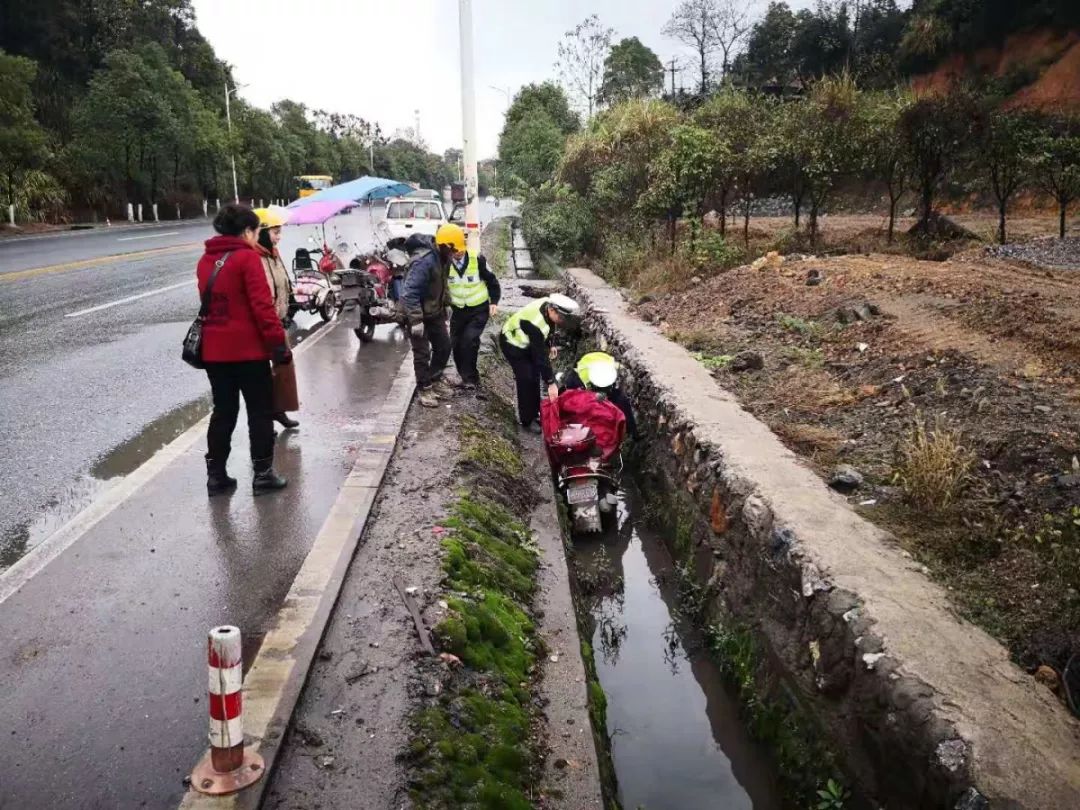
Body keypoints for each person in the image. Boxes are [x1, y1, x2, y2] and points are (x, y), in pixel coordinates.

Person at [197, 203, 290, 496]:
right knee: (259, 412)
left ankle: (216, 477)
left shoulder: (206, 260)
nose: (256, 236)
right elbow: (263, 309)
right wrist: (278, 346)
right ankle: (262, 474)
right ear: (247, 231)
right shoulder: (247, 259)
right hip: (249, 353)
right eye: (256, 231)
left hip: (214, 353)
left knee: (223, 412)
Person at [499, 294, 581, 434]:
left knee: (535, 376)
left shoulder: (547, 304)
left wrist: (551, 344)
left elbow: (551, 326)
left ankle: (536, 413)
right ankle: (527, 420)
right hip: (513, 343)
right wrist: (551, 382)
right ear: (552, 310)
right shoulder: (535, 323)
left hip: (529, 342)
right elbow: (541, 357)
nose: (562, 321)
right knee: (526, 378)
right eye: (561, 318)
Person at [254, 206, 299, 430]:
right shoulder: (254, 257)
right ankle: (265, 421)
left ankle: (279, 410)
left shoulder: (274, 255)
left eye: (279, 232)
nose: (278, 237)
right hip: (262, 326)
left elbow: (282, 282)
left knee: (284, 368)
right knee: (263, 376)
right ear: (261, 231)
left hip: (278, 321)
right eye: (274, 232)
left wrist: (291, 304)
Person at [441, 223, 500, 392]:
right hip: (458, 311)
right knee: (456, 343)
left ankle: (472, 379)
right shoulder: (445, 264)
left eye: (460, 249)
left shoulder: (477, 259)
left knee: (469, 341)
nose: (458, 254)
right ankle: (463, 376)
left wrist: (494, 301)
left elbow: (492, 281)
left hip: (478, 310)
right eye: (454, 251)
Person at [398, 231, 452, 408]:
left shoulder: (443, 258)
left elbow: (442, 284)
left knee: (444, 346)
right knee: (422, 353)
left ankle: (435, 379)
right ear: (443, 245)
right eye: (452, 249)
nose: (454, 253)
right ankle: (425, 388)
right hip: (417, 314)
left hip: (434, 312)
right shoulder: (424, 261)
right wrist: (415, 320)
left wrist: (446, 305)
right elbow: (410, 292)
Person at [562, 351, 639, 440]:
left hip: (602, 372)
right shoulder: (576, 380)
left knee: (622, 401)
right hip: (588, 384)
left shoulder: (610, 369)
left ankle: (633, 434)